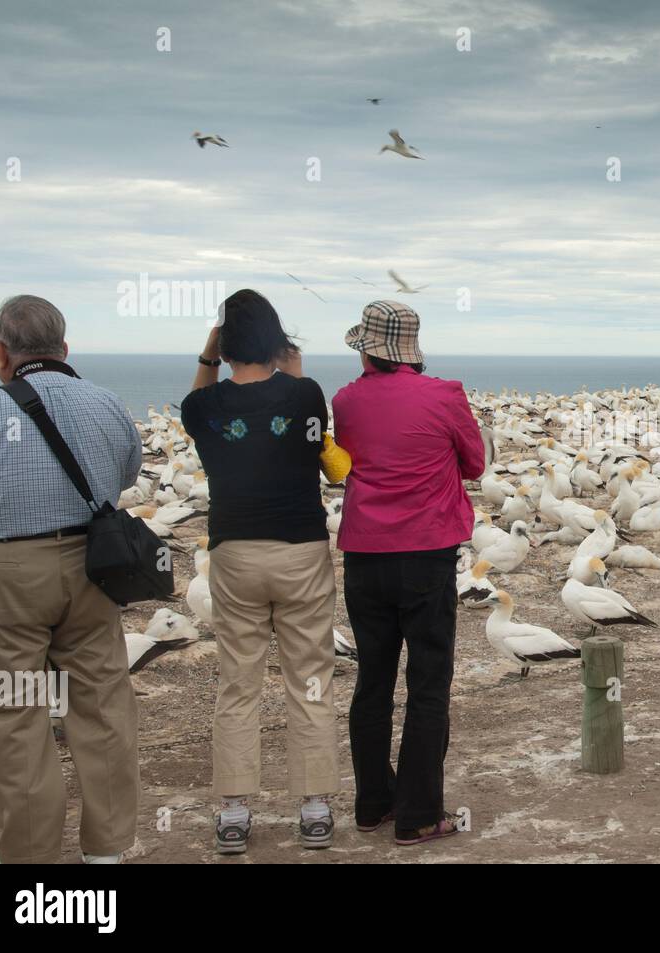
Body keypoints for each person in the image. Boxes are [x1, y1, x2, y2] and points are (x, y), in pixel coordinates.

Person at [0, 295, 141, 863]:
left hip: (12, 574)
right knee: (101, 707)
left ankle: (29, 857)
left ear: (0, 354)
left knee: (20, 712)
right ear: (65, 350)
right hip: (95, 569)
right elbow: (127, 473)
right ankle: (106, 852)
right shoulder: (108, 403)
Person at [181, 289, 341, 854]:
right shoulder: (305, 394)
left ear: (224, 349)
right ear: (276, 343)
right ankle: (315, 807)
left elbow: (195, 406)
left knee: (238, 683)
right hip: (300, 552)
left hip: (235, 555)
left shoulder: (203, 408)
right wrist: (291, 367)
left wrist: (210, 352)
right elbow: (322, 445)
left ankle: (234, 812)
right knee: (311, 679)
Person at [332, 301, 486, 845]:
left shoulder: (345, 400)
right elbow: (475, 464)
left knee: (372, 680)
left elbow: (348, 461)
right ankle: (419, 813)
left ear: (366, 348)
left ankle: (373, 803)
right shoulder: (444, 395)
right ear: (412, 351)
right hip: (425, 555)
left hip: (364, 557)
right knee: (427, 682)